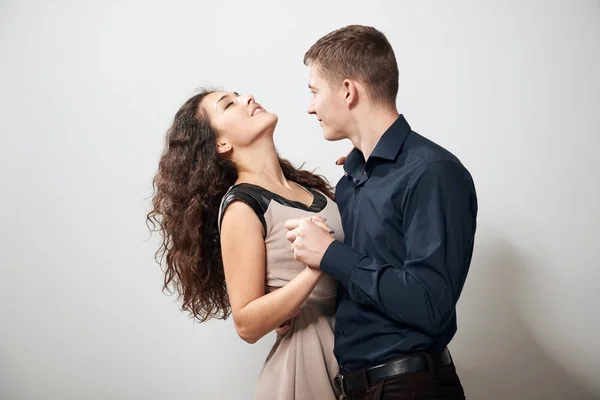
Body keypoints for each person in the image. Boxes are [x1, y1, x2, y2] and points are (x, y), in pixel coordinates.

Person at [285, 25, 478, 399]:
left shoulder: (433, 172)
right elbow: (361, 289)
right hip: (357, 387)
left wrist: (330, 253)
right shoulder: (350, 181)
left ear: (347, 91)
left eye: (314, 91)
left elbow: (429, 303)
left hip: (411, 388)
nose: (309, 106)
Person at [147, 89, 345, 399]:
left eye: (240, 95)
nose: (248, 98)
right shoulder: (242, 206)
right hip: (304, 374)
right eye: (229, 104)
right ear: (221, 143)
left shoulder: (310, 190)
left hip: (355, 361)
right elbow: (247, 323)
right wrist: (314, 269)